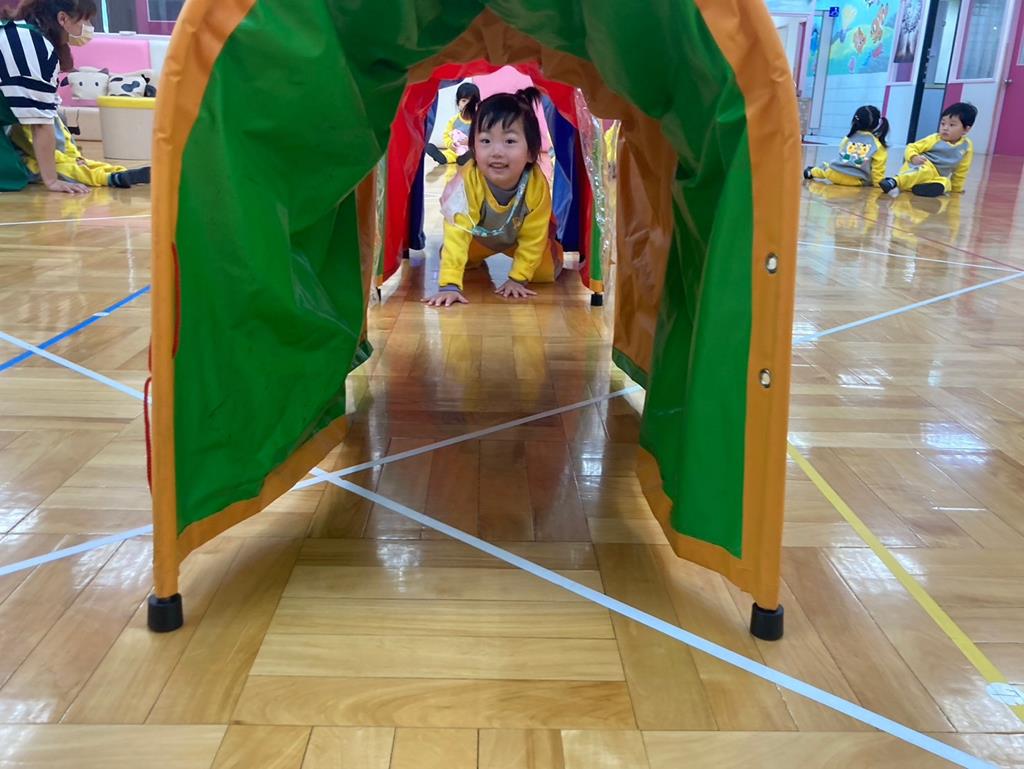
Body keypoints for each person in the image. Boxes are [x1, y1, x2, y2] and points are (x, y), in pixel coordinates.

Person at [422, 87, 563, 307]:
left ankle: (554, 250)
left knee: (543, 273)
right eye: (486, 141)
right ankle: (460, 260)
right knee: (456, 254)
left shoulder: (536, 185)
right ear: (473, 147)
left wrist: (518, 279)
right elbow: (457, 230)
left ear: (530, 152)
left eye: (509, 141)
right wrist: (449, 285)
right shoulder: (468, 180)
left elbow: (533, 236)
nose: (497, 152)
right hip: (479, 239)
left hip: (517, 241)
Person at [0, 0, 150, 193]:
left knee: (50, 127)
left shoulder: (28, 37)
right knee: (17, 171)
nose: (88, 28)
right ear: (63, 19)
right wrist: (52, 181)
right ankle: (100, 175)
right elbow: (40, 123)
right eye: (85, 21)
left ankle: (90, 170)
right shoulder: (32, 47)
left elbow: (44, 115)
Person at [879, 102, 976, 198]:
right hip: (919, 167)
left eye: (952, 125)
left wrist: (956, 189)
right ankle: (894, 181)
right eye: (943, 124)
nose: (945, 128)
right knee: (925, 171)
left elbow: (962, 170)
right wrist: (913, 157)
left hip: (935, 176)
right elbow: (912, 147)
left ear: (966, 129)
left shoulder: (966, 147)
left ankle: (923, 188)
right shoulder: (934, 139)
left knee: (946, 182)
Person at [804, 105, 889, 187]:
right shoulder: (877, 145)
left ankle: (811, 172)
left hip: (834, 174)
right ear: (876, 124)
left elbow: (842, 156)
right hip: (857, 181)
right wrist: (878, 183)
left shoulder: (848, 138)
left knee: (826, 167)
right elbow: (877, 169)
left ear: (855, 121)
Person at [424, 82, 480, 167]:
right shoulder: (454, 121)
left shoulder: (479, 121)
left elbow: (484, 137)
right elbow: (446, 136)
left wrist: (470, 142)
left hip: (473, 149)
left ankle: (468, 158)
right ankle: (442, 157)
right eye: (464, 101)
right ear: (458, 103)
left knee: (477, 153)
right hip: (457, 149)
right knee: (450, 153)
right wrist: (451, 144)